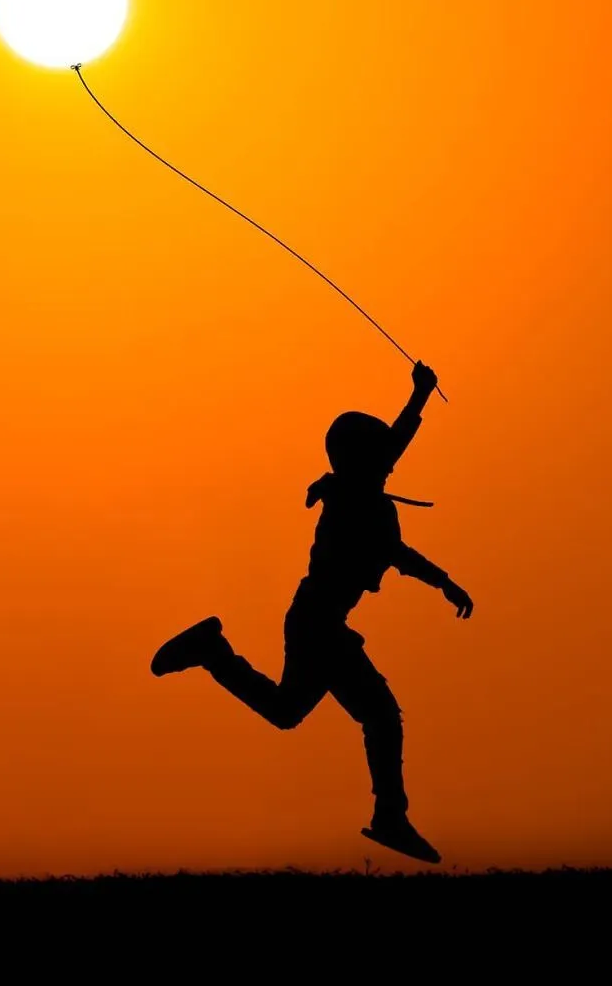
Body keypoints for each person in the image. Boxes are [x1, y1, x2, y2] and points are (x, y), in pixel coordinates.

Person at [151, 362, 473, 863]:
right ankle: (390, 816)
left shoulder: (361, 499)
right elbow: (393, 472)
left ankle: (213, 651)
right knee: (380, 714)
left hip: (316, 623)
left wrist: (444, 582)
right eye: (377, 456)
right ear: (358, 460)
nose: (388, 462)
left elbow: (396, 542)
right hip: (318, 625)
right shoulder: (351, 497)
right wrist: (418, 397)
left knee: (288, 711)